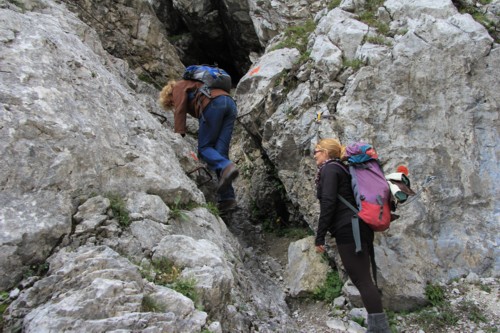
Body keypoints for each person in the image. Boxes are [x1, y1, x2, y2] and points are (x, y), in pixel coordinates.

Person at [313, 138, 391, 333]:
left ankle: (380, 329)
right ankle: (377, 327)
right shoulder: (343, 169)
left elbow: (329, 202)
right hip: (358, 226)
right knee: (363, 279)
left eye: (317, 150)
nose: (314, 154)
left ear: (326, 152)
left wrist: (320, 235)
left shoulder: (330, 169)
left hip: (349, 228)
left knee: (362, 280)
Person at [159, 78, 239, 212]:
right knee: (220, 154)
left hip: (213, 104)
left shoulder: (177, 87)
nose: (174, 104)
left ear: (169, 95)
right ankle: (227, 199)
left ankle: (227, 168)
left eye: (171, 103)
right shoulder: (194, 85)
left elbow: (179, 111)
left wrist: (179, 134)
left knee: (204, 148)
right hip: (229, 104)